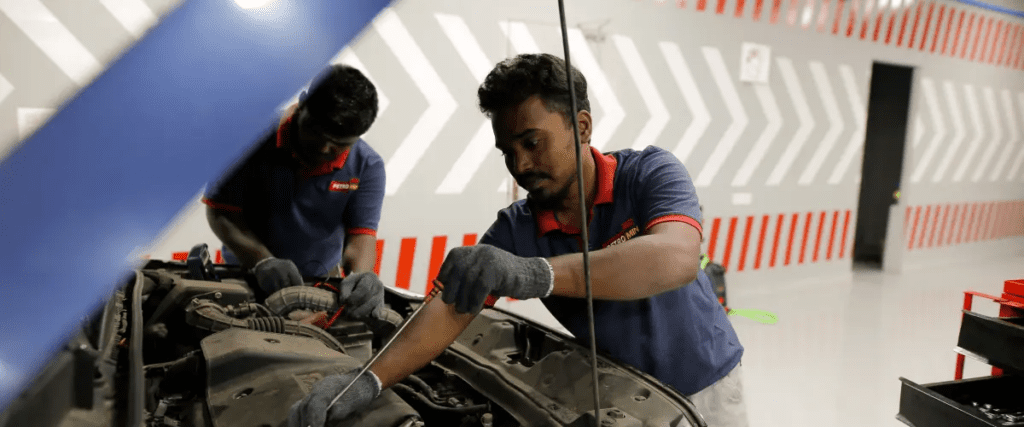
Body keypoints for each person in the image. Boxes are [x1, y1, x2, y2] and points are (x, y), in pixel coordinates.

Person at [289, 54, 747, 427]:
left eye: (532, 142)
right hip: (622, 397)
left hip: (707, 385)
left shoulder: (649, 173)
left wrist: (537, 273)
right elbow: (448, 308)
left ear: (582, 127)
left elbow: (677, 258)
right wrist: (368, 380)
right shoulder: (516, 229)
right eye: (508, 151)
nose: (521, 164)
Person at [203, 64, 386, 319]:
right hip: (245, 274)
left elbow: (361, 237)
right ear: (301, 105)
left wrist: (361, 277)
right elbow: (221, 213)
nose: (323, 149)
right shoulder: (248, 142)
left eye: (338, 145)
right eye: (314, 131)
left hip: (318, 283)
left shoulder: (367, 166)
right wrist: (261, 261)